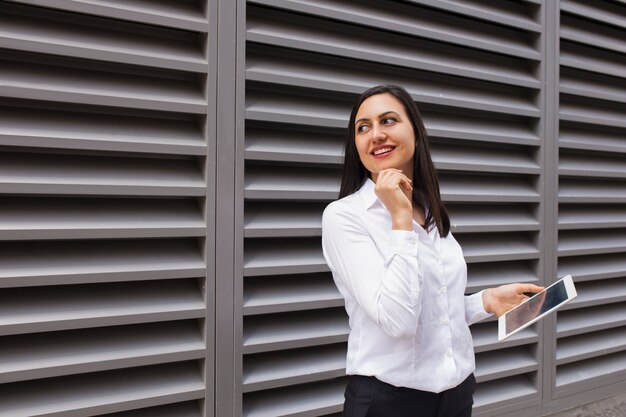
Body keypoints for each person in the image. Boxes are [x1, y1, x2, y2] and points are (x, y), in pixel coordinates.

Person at [321, 84, 544, 417]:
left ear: (416, 131)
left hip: (456, 394)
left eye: (388, 120)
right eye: (363, 127)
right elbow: (397, 320)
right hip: (389, 402)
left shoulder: (429, 211)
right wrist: (398, 217)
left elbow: (432, 307)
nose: (376, 134)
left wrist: (486, 302)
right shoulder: (345, 216)